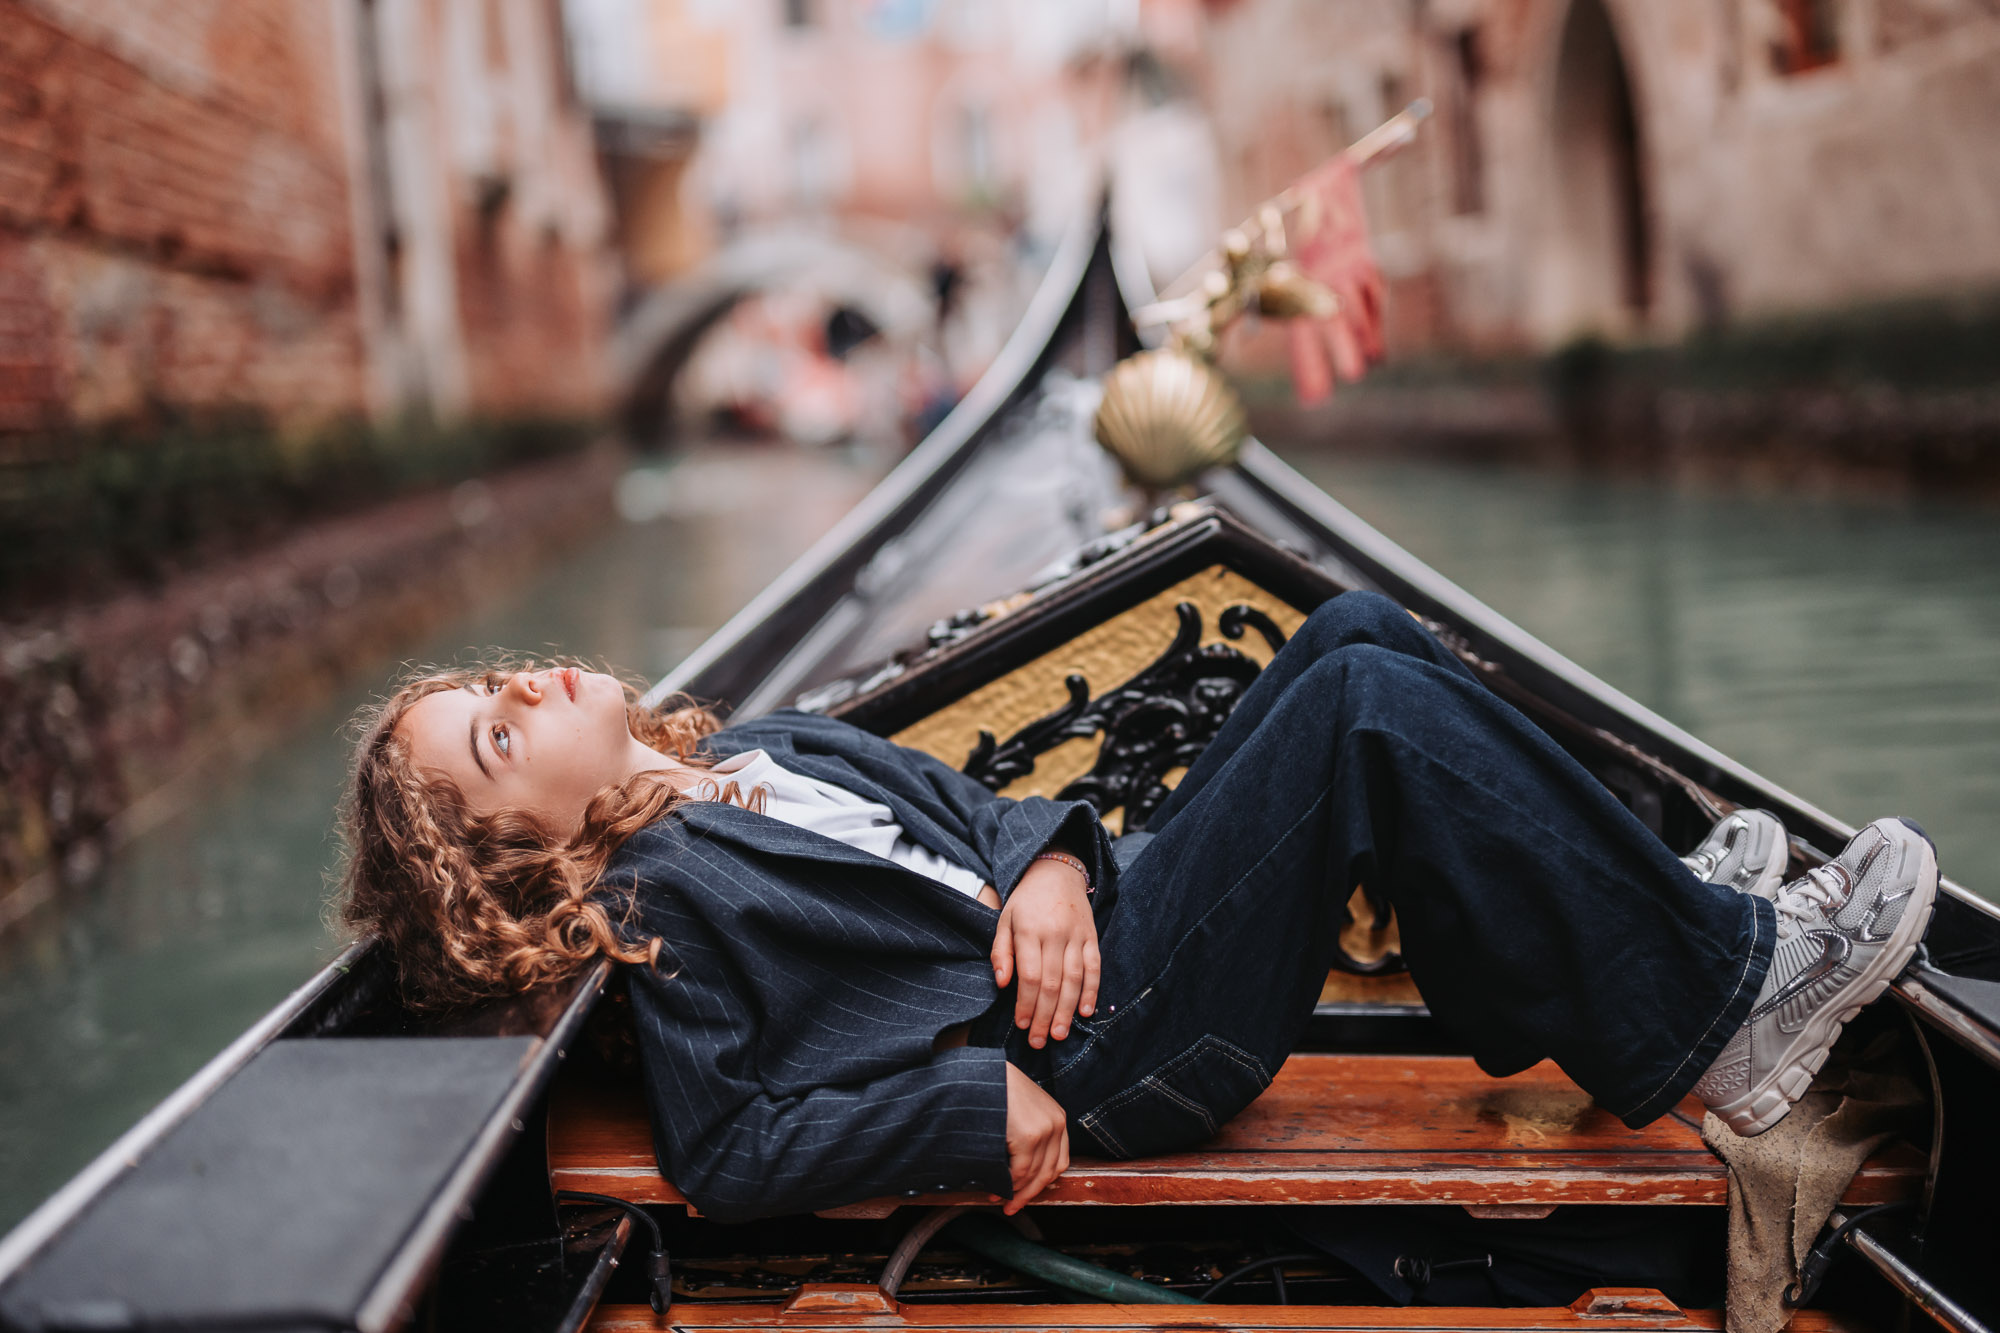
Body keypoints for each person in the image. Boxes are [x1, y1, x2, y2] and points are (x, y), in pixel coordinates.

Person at [339, 591, 1938, 1224]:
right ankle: (1728, 1011)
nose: (522, 689)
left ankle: (1639, 932)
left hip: (1108, 913)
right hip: (1108, 1042)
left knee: (1356, 630)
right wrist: (966, 1106)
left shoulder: (751, 749)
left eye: (494, 686)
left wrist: (1040, 859)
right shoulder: (654, 901)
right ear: (525, 855)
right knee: (1365, 709)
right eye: (497, 740)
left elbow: (966, 803)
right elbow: (729, 1145)